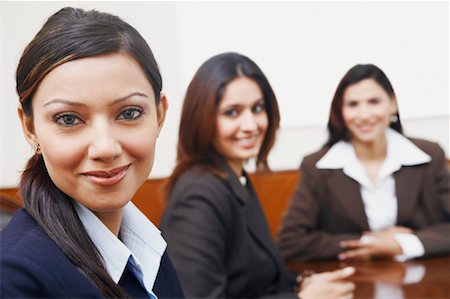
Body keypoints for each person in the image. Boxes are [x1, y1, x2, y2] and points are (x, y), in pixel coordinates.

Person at [0, 7, 184, 298]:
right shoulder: (14, 279)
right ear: (30, 126)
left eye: (129, 112)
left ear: (159, 115)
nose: (105, 148)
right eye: (69, 119)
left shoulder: (147, 245)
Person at [160, 52, 355, 299]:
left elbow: (260, 273)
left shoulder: (233, 178)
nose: (251, 125)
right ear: (202, 118)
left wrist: (303, 282)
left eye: (258, 108)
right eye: (232, 112)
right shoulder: (197, 197)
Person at [277, 64, 450, 262]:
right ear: (341, 111)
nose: (364, 115)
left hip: (424, 283)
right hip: (353, 281)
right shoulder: (317, 167)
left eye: (374, 102)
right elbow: (289, 242)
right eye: (353, 105)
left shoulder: (429, 156)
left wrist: (400, 244)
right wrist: (370, 243)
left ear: (393, 104)